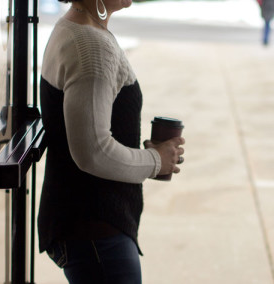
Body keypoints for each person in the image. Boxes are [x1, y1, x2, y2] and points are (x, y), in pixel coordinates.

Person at [37, 0, 185, 283]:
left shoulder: (76, 28)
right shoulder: (91, 46)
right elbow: (93, 152)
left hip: (90, 227)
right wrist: (155, 161)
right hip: (94, 231)